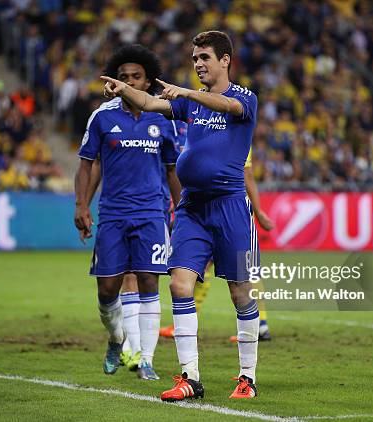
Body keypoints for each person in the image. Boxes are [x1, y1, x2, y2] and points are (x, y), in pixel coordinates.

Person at [102, 30, 260, 400]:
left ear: (225, 60)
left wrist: (188, 93)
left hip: (233, 208)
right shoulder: (191, 103)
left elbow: (228, 108)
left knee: (240, 293)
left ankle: (247, 378)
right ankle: (190, 377)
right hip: (192, 208)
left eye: (204, 57)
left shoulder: (244, 98)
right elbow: (150, 101)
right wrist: (123, 90)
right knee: (179, 285)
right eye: (194, 59)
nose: (198, 64)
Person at [75, 44, 181, 380]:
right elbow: (88, 166)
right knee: (107, 289)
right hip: (113, 214)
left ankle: (146, 359)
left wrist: (184, 209)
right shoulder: (103, 116)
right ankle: (117, 339)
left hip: (152, 213)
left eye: (136, 76)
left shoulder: (163, 118)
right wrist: (82, 205)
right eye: (123, 77)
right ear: (114, 81)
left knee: (150, 280)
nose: (129, 82)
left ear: (148, 81)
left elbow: (172, 169)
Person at [159, 147, 275, 342]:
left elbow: (247, 175)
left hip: (229, 210)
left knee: (241, 271)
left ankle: (259, 325)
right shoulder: (222, 131)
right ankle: (260, 324)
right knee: (237, 268)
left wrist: (259, 211)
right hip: (222, 209)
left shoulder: (236, 131)